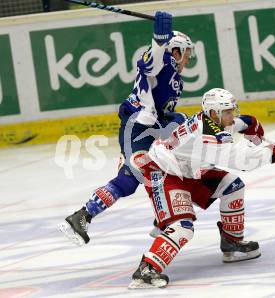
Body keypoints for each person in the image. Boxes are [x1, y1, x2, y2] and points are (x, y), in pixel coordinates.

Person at [128, 88, 275, 289]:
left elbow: (233, 125)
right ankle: (146, 270)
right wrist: (273, 153)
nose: (231, 116)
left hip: (188, 170)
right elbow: (241, 160)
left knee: (233, 186)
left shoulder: (209, 120)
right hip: (164, 173)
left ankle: (231, 241)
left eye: (232, 110)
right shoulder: (210, 136)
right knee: (183, 228)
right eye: (228, 112)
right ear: (214, 113)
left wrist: (249, 123)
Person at [58, 11, 195, 246]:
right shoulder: (162, 63)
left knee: (180, 136)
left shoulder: (174, 78)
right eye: (186, 54)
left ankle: (161, 219)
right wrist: (159, 40)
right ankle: (81, 217)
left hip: (149, 129)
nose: (188, 60)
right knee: (130, 180)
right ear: (175, 51)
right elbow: (148, 64)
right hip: (137, 128)